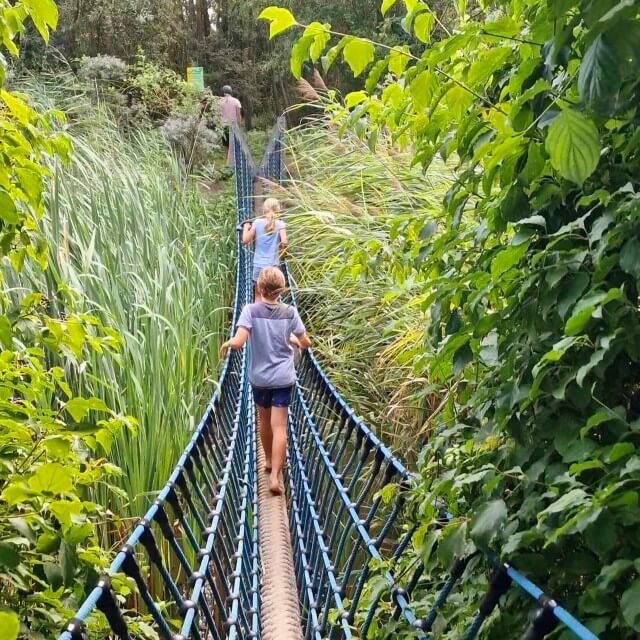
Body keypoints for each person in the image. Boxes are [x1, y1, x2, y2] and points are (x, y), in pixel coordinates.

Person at [220, 267, 311, 495]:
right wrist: (292, 338)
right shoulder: (290, 312)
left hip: (260, 378)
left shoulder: (250, 310)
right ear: (281, 291)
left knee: (263, 421)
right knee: (279, 426)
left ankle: (269, 460)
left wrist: (228, 344)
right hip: (283, 378)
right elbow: (305, 342)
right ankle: (275, 476)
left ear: (259, 288)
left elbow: (240, 341)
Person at [242, 197, 288, 299]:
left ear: (264, 209)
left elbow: (245, 240)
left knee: (258, 297)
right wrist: (282, 251)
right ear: (278, 210)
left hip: (259, 266)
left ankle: (258, 314)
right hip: (273, 266)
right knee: (274, 297)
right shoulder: (281, 224)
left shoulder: (257, 223)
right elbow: (285, 242)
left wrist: (245, 227)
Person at [219, 85, 242, 164]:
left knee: (226, 147)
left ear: (223, 92)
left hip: (223, 126)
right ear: (231, 92)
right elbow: (238, 115)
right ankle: (233, 163)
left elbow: (218, 115)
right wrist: (239, 125)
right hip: (233, 126)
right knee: (234, 146)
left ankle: (226, 164)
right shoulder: (236, 101)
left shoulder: (220, 102)